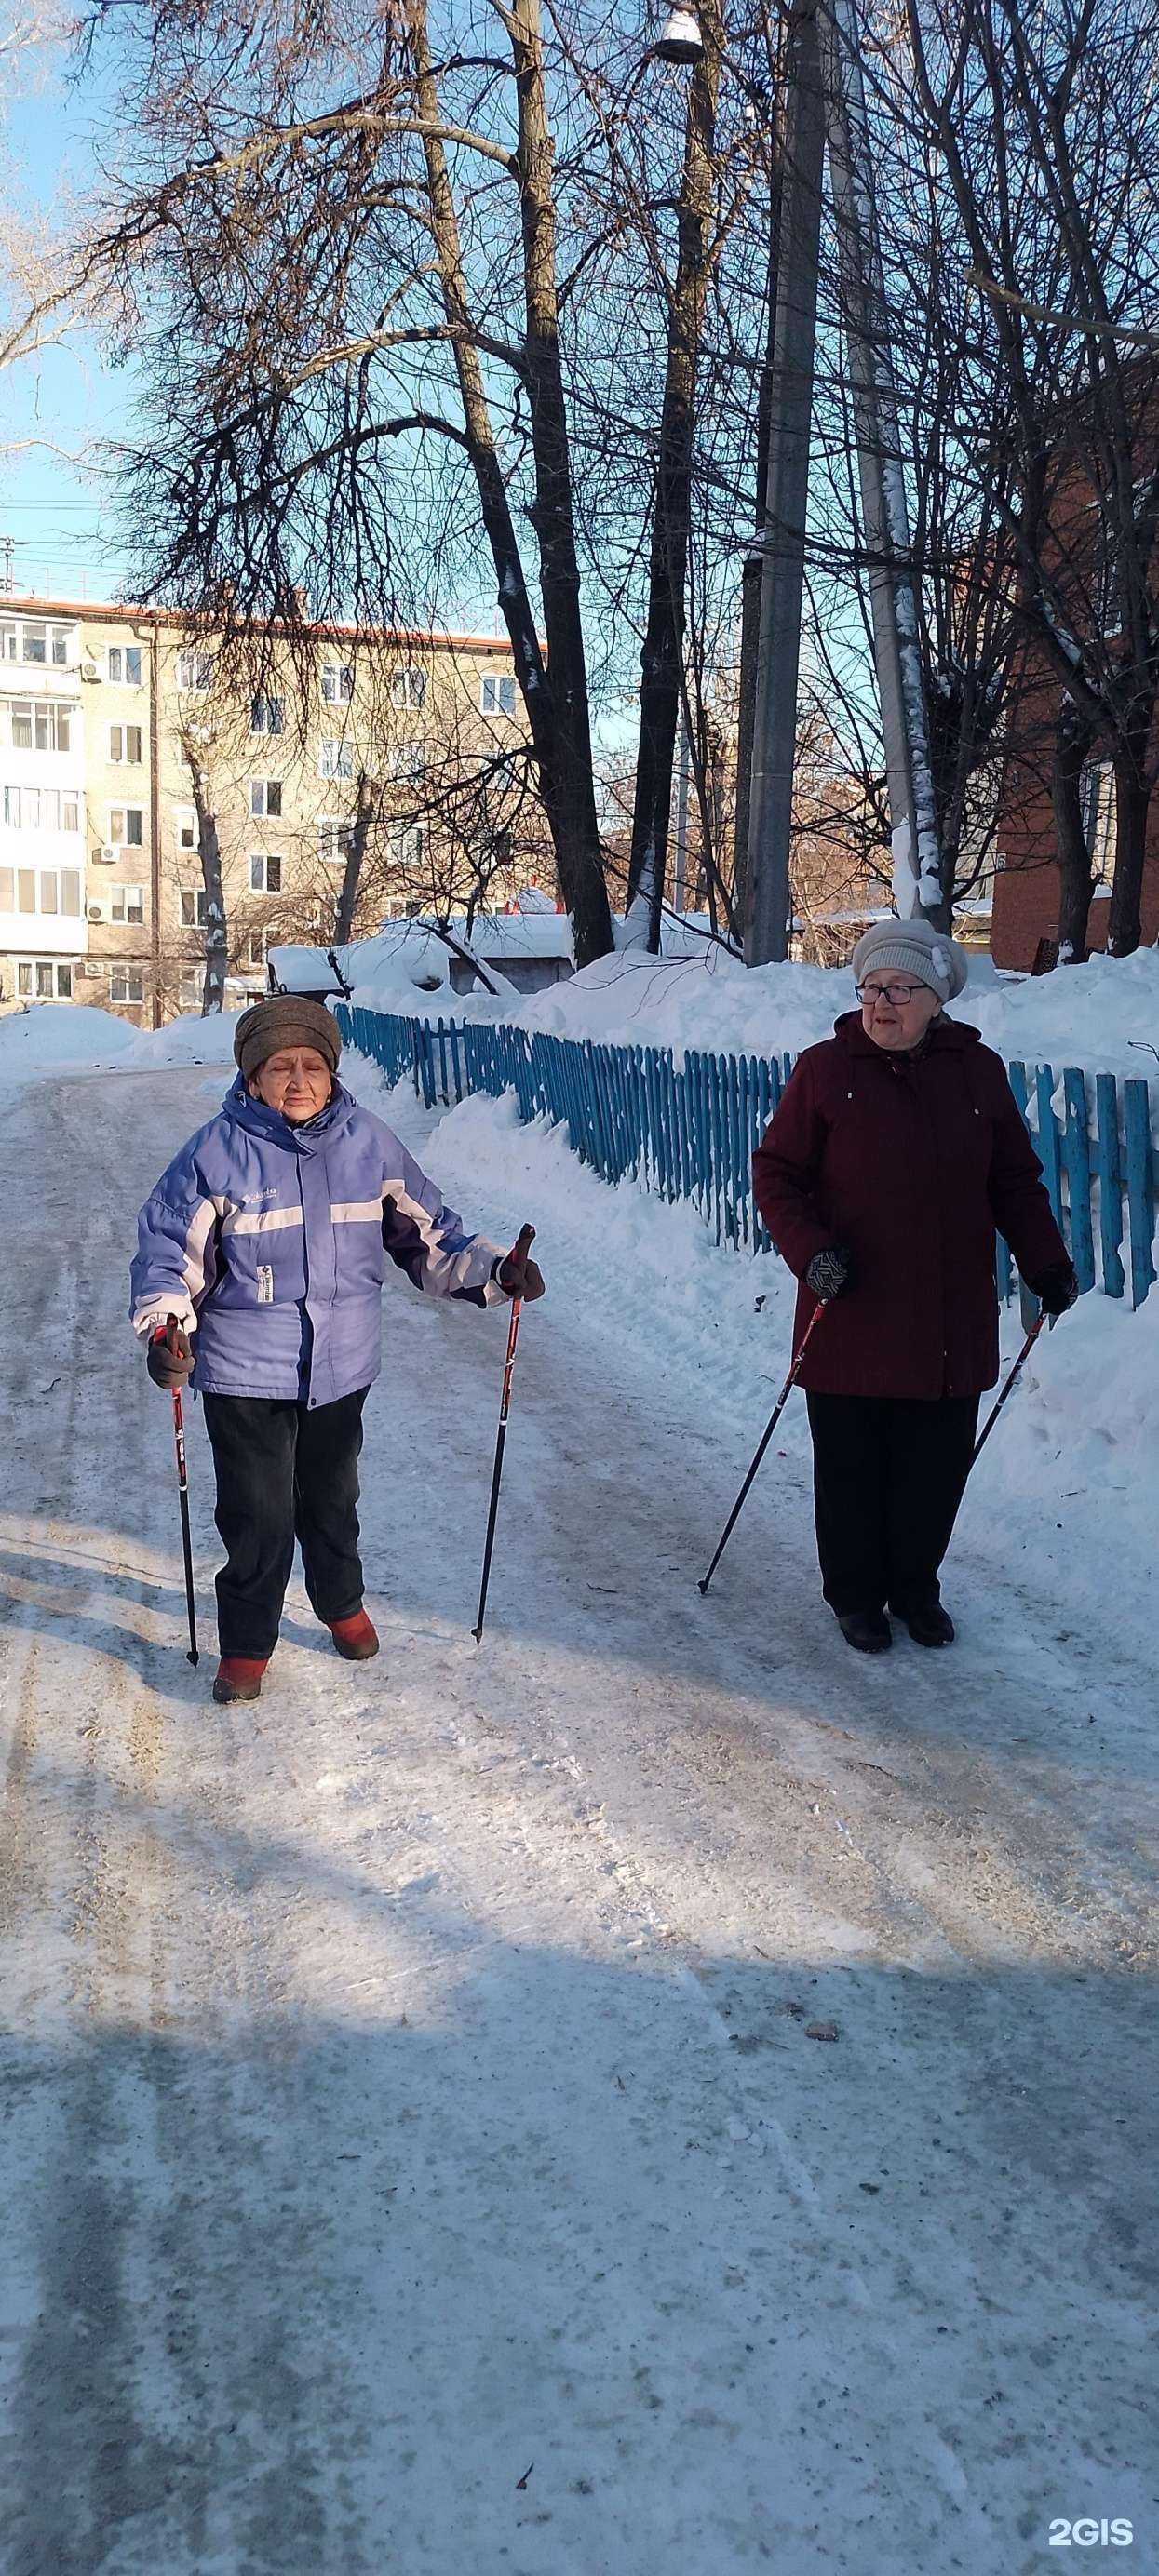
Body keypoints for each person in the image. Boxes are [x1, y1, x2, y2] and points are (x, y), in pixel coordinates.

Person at [130, 995, 545, 1703]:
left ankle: (340, 1603)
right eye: (280, 1066)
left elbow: (430, 1234)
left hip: (343, 1364)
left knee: (331, 1497)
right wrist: (167, 1323)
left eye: (313, 1065)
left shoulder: (369, 1142)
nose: (298, 1080)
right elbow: (171, 1251)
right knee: (258, 1515)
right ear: (252, 1077)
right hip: (242, 1370)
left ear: (331, 1072)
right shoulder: (213, 1153)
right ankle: (247, 1644)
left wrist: (496, 1269)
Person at [752, 919, 1076, 1654]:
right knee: (851, 1467)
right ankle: (856, 1595)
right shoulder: (824, 1070)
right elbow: (776, 1173)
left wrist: (1044, 1262)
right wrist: (810, 1253)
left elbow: (1011, 1180)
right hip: (849, 1306)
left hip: (945, 1317)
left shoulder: (977, 1072)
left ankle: (914, 1587)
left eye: (898, 989)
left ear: (936, 999)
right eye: (870, 988)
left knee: (932, 1470)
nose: (880, 1004)